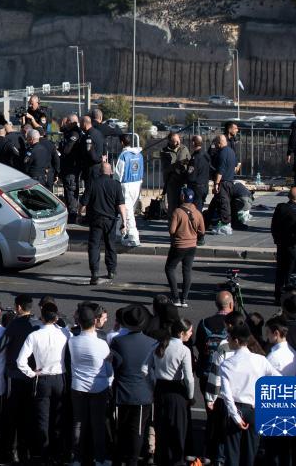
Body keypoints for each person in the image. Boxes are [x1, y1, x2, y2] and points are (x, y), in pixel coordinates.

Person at [16, 301, 70, 466]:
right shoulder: (65, 333)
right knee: (58, 417)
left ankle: (44, 455)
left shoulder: (34, 336)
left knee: (42, 419)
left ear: (42, 317)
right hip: (60, 378)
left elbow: (20, 361)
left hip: (42, 379)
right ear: (56, 317)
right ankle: (57, 453)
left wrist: (32, 373)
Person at [219, 323, 279, 466]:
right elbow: (278, 379)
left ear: (236, 341)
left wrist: (235, 416)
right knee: (251, 453)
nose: (228, 341)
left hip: (236, 409)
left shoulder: (226, 364)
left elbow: (227, 395)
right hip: (255, 409)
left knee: (232, 453)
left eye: (229, 338)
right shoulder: (261, 360)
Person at [109, 304, 155, 466]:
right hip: (143, 393)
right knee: (138, 431)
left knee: (120, 429)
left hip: (122, 393)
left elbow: (114, 365)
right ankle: (132, 461)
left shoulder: (118, 341)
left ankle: (118, 459)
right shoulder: (152, 343)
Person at [68, 303, 113, 466]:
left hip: (78, 386)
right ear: (95, 321)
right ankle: (99, 458)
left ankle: (77, 458)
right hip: (98, 387)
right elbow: (108, 371)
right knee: (98, 424)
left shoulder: (72, 341)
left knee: (78, 423)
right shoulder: (102, 344)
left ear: (79, 322)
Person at [149, 318, 194, 466]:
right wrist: (190, 396)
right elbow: (189, 378)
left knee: (161, 429)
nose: (191, 334)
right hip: (177, 392)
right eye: (189, 331)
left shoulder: (158, 345)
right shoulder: (184, 350)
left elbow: (145, 369)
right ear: (181, 333)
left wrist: (152, 386)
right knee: (178, 430)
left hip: (160, 390)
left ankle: (161, 460)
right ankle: (176, 461)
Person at [0, 294, 37, 463]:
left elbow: (0, 345)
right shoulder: (36, 324)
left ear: (19, 307)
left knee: (13, 415)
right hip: (31, 375)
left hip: (15, 375)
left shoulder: (14, 324)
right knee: (28, 413)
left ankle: (12, 450)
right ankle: (26, 450)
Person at [79, 160, 125, 284]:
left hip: (95, 220)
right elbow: (121, 205)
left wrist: (79, 214)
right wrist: (124, 222)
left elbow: (83, 203)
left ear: (100, 171)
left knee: (94, 246)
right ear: (111, 172)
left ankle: (94, 273)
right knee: (110, 245)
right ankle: (111, 270)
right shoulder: (116, 185)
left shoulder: (92, 183)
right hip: (110, 221)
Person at [166, 187, 206, 307]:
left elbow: (172, 230)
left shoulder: (177, 212)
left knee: (170, 268)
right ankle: (184, 299)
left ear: (183, 197)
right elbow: (202, 231)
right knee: (187, 271)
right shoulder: (198, 213)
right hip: (192, 246)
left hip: (179, 245)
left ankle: (175, 298)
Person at [114, 134, 144, 247]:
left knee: (127, 212)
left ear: (122, 143)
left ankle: (133, 237)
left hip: (126, 186)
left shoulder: (123, 156)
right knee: (127, 211)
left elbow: (118, 174)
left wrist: (115, 185)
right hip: (137, 184)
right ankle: (118, 233)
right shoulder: (139, 154)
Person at [210, 135, 237, 235]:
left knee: (223, 204)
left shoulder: (222, 153)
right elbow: (235, 167)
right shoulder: (231, 151)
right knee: (220, 203)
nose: (215, 146)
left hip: (223, 182)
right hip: (230, 181)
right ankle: (215, 222)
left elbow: (220, 170)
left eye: (216, 143)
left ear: (219, 143)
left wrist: (216, 184)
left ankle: (225, 226)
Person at [59, 114, 84, 223]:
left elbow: (67, 149)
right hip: (68, 166)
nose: (65, 124)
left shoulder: (74, 133)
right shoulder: (70, 132)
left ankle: (73, 215)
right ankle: (71, 213)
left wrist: (61, 149)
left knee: (71, 190)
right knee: (68, 190)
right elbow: (62, 129)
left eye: (67, 122)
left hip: (72, 167)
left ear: (71, 122)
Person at [160, 132, 191, 215]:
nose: (178, 143)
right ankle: (172, 221)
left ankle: (182, 222)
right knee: (172, 205)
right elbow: (166, 168)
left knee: (183, 205)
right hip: (171, 182)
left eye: (178, 140)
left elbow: (190, 161)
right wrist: (177, 165)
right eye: (175, 141)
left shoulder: (184, 148)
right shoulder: (164, 151)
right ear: (170, 141)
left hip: (183, 181)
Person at [79, 114, 106, 187]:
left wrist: (100, 159)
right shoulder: (99, 133)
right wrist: (103, 158)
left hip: (91, 169)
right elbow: (104, 146)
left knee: (90, 189)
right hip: (99, 167)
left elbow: (92, 156)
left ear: (84, 124)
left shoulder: (88, 136)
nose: (80, 126)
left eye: (80, 123)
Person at [187, 135, 211, 213]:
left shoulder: (195, 157)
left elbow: (191, 175)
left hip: (196, 188)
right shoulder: (206, 155)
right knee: (200, 207)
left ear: (193, 143)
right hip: (205, 186)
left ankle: (198, 221)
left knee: (196, 211)